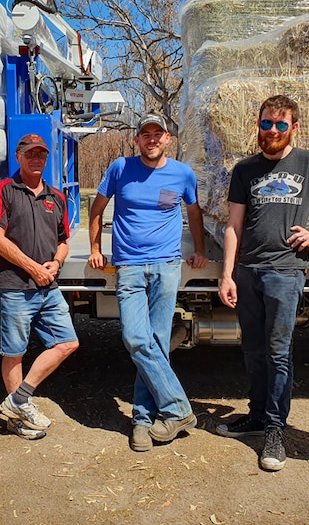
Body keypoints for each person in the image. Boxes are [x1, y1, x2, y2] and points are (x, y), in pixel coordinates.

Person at [216, 94, 309, 471]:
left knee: (279, 352)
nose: (273, 130)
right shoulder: (245, 169)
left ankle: (276, 430)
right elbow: (234, 225)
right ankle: (258, 416)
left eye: (281, 124)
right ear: (258, 125)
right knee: (253, 349)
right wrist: (227, 274)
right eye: (267, 123)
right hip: (248, 271)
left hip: (286, 271)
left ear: (294, 127)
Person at [88, 112, 208, 452]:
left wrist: (199, 250)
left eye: (158, 134)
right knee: (135, 339)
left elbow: (194, 212)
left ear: (167, 139)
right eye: (146, 134)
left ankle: (143, 419)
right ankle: (180, 408)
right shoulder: (120, 169)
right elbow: (96, 209)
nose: (152, 139)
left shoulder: (182, 173)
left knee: (155, 342)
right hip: (129, 267)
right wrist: (96, 248)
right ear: (137, 139)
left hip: (167, 266)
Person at [0, 133, 80, 440]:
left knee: (68, 343)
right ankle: (17, 420)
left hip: (47, 286)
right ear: (19, 157)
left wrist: (56, 263)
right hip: (14, 287)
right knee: (14, 353)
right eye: (30, 154)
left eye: (41, 154)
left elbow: (63, 242)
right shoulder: (5, 190)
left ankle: (18, 400)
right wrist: (33, 267)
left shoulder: (57, 198)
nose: (36, 159)